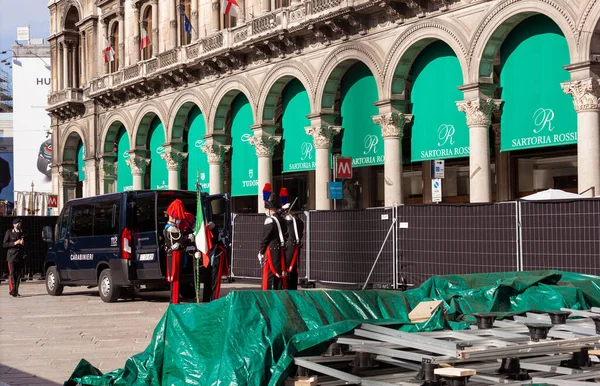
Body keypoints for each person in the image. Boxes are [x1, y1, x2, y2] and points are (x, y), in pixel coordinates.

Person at [163, 199, 194, 304]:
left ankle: (175, 300)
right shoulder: (172, 229)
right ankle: (175, 301)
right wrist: (190, 238)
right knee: (175, 279)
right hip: (175, 255)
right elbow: (181, 241)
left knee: (176, 279)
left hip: (174, 255)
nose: (179, 220)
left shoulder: (171, 228)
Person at [258, 184, 288, 290]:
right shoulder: (282, 219)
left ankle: (266, 296)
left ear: (270, 209)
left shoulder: (269, 220)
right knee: (278, 274)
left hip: (271, 250)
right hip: (280, 250)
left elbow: (265, 238)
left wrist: (261, 251)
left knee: (268, 276)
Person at [282, 202, 304, 290]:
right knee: (294, 268)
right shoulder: (300, 221)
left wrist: (280, 211)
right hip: (296, 246)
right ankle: (293, 286)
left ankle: (287, 286)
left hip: (289, 246)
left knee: (287, 267)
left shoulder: (289, 221)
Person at [3, 218, 25, 297]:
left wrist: (23, 243)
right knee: (12, 274)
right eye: (17, 223)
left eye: (20, 223)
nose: (19, 224)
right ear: (14, 225)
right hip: (11, 256)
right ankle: (12, 290)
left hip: (20, 256)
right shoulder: (9, 232)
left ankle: (16, 290)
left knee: (18, 275)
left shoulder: (22, 232)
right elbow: (5, 244)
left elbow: (27, 243)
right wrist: (15, 243)